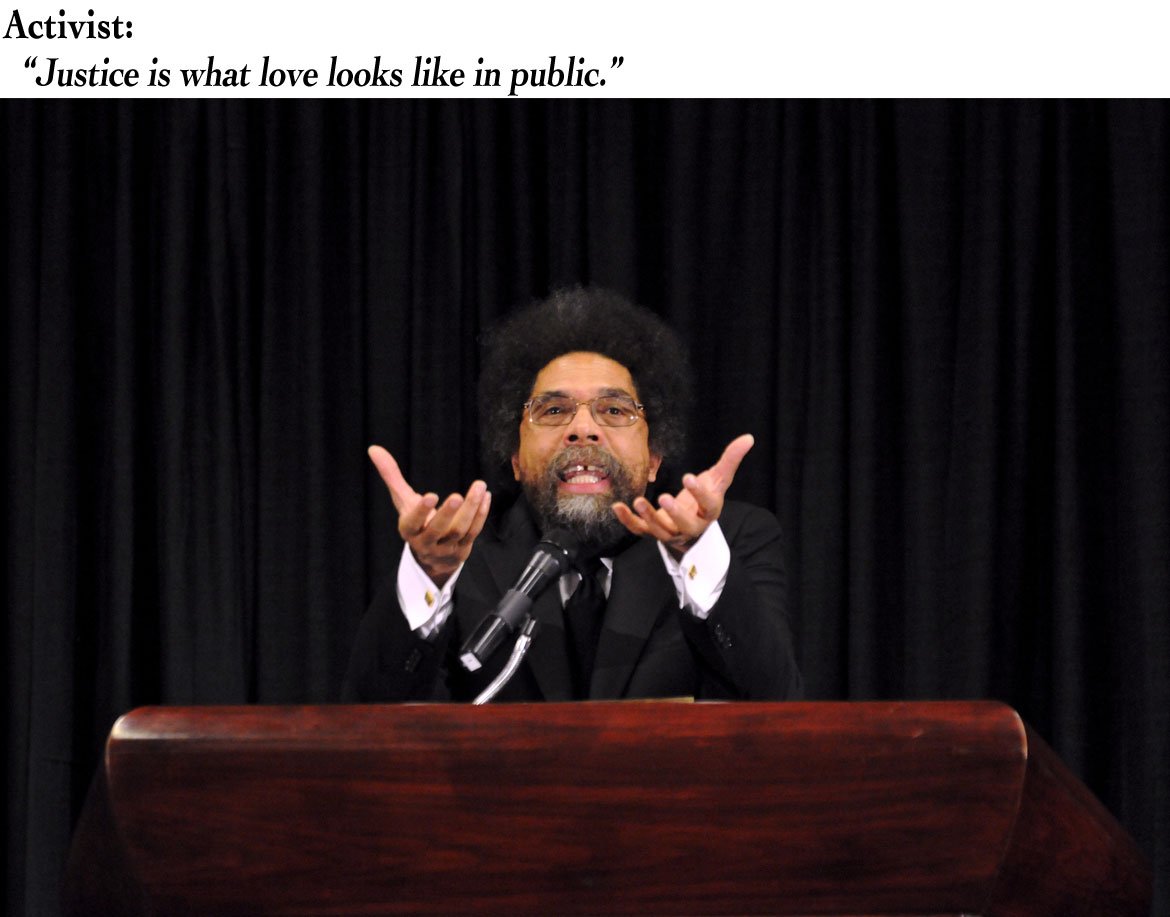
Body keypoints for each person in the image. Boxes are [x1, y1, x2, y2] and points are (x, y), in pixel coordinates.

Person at [342, 288, 801, 702]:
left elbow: (777, 702)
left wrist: (693, 554)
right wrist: (430, 574)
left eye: (615, 410)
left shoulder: (735, 539)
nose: (583, 430)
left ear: (655, 458)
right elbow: (370, 718)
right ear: (516, 457)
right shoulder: (458, 553)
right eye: (555, 410)